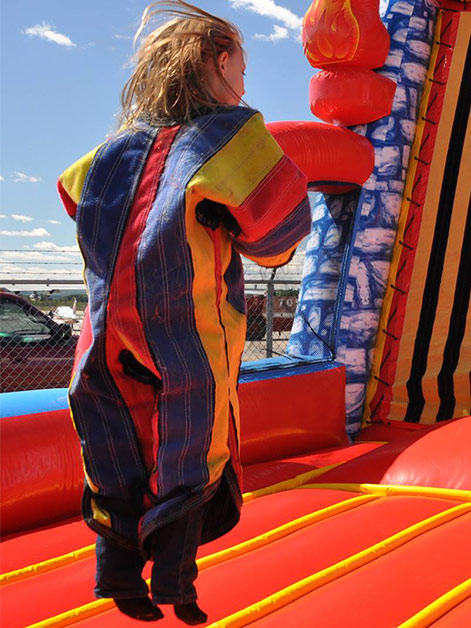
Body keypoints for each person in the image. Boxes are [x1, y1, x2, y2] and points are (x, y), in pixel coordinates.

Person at [57, 2, 311, 623]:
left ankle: (114, 571)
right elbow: (279, 235)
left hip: (102, 335)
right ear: (218, 61)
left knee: (114, 438)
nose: (247, 83)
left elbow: (69, 192)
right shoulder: (230, 134)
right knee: (193, 437)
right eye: (244, 67)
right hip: (181, 326)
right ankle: (176, 579)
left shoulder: (109, 152)